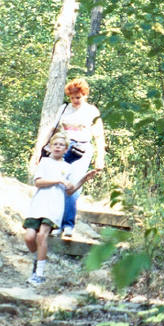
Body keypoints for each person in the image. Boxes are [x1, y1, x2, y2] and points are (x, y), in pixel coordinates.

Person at [23, 133, 98, 285]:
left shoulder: (67, 167)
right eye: (55, 144)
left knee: (42, 236)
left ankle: (39, 275)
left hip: (54, 207)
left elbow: (69, 191)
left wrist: (83, 179)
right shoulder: (44, 162)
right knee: (29, 237)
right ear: (50, 147)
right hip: (38, 204)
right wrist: (58, 180)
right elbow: (38, 182)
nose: (58, 147)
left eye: (61, 145)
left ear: (66, 150)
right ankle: (39, 258)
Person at [55, 78, 106, 238]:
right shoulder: (64, 109)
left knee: (74, 184)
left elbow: (99, 135)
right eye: (72, 98)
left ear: (85, 95)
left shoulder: (92, 111)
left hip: (82, 148)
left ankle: (68, 225)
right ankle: (56, 223)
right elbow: (55, 129)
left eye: (78, 97)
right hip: (63, 148)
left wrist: (100, 157)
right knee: (59, 184)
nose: (75, 100)